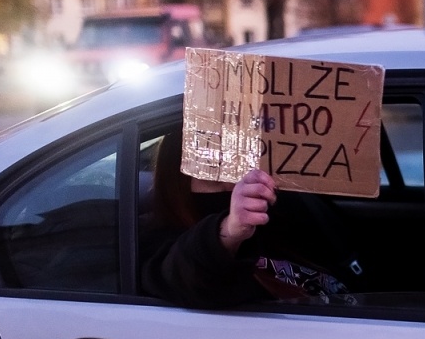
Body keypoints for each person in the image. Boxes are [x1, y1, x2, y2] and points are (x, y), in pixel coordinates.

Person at [140, 132, 356, 308]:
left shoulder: (279, 215)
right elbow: (180, 274)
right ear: (177, 184)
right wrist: (229, 229)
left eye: (240, 168)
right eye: (214, 176)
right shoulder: (162, 241)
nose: (237, 187)